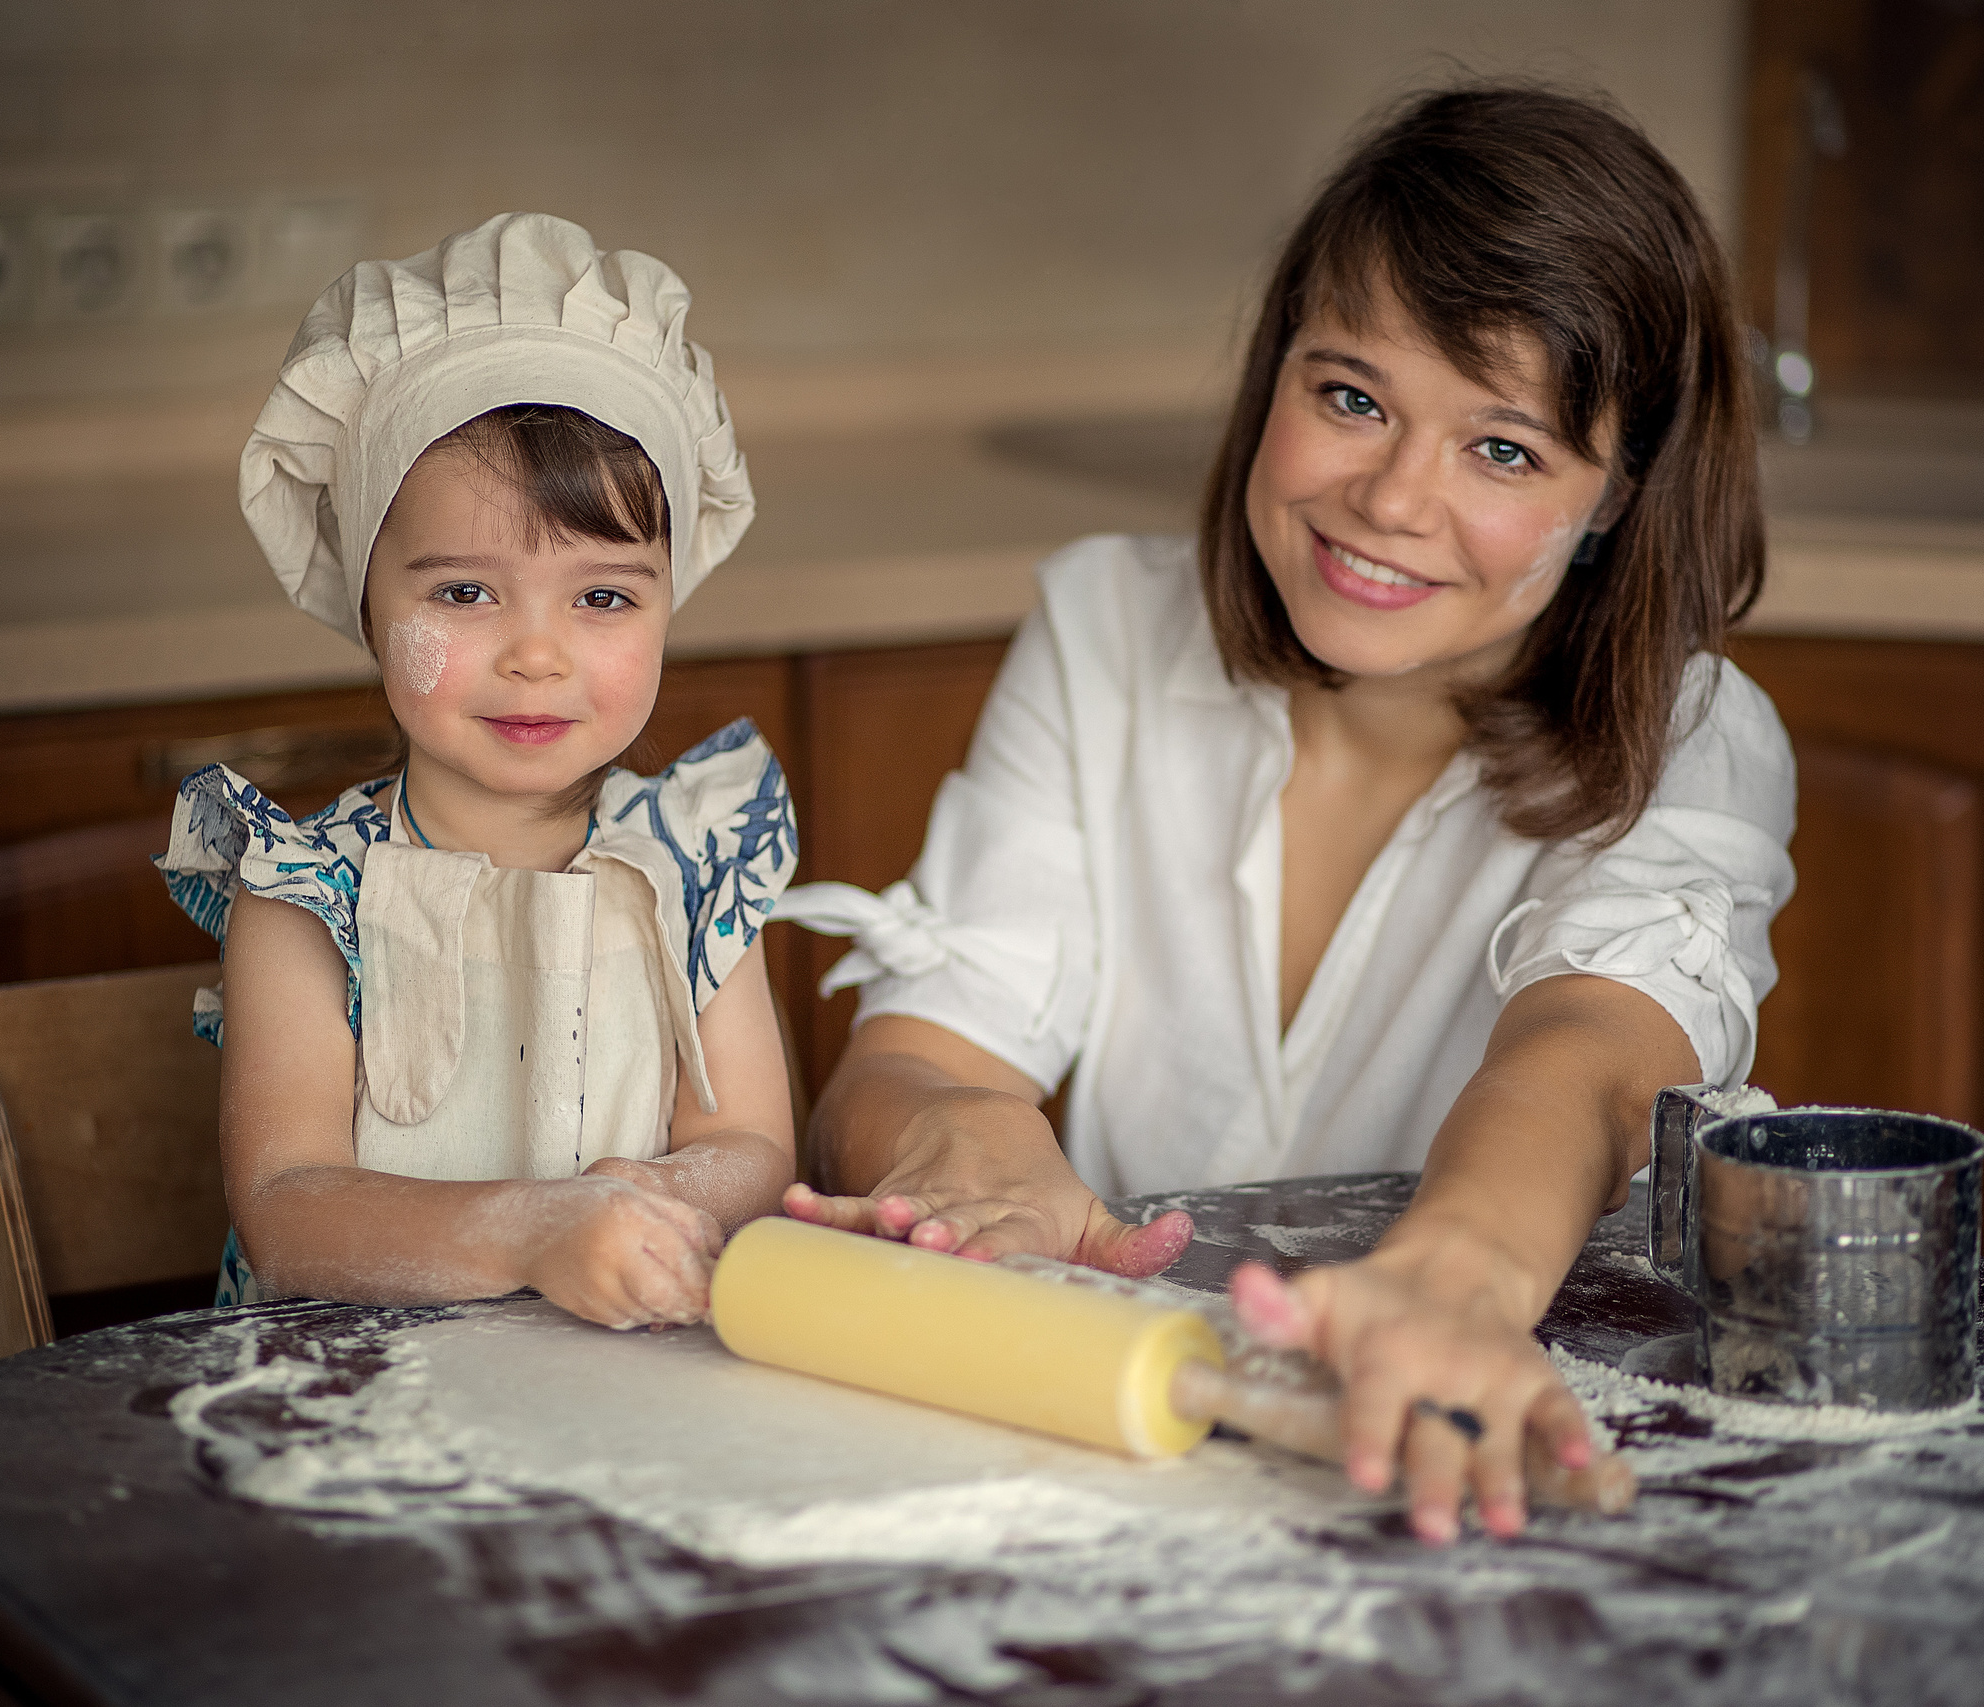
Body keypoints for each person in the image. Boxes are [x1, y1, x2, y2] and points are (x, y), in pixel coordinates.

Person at [778, 87, 1796, 1544]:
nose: (1391, 498)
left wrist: (1451, 1282)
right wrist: (963, 1143)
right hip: (1124, 1449)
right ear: (1275, 376)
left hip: (1451, 1463)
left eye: (1503, 448)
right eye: (1352, 398)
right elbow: (922, 1056)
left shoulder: (1690, 737)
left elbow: (1588, 1058)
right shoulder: (1105, 626)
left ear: (1616, 498)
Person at [157, 213, 798, 1329]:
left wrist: (651, 1195)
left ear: (669, 606)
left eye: (603, 596)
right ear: (368, 604)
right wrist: (532, 1228)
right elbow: (287, 1205)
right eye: (464, 592)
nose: (536, 655)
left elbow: (751, 1144)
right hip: (359, 1400)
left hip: (619, 1381)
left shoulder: (697, 860)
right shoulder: (306, 893)